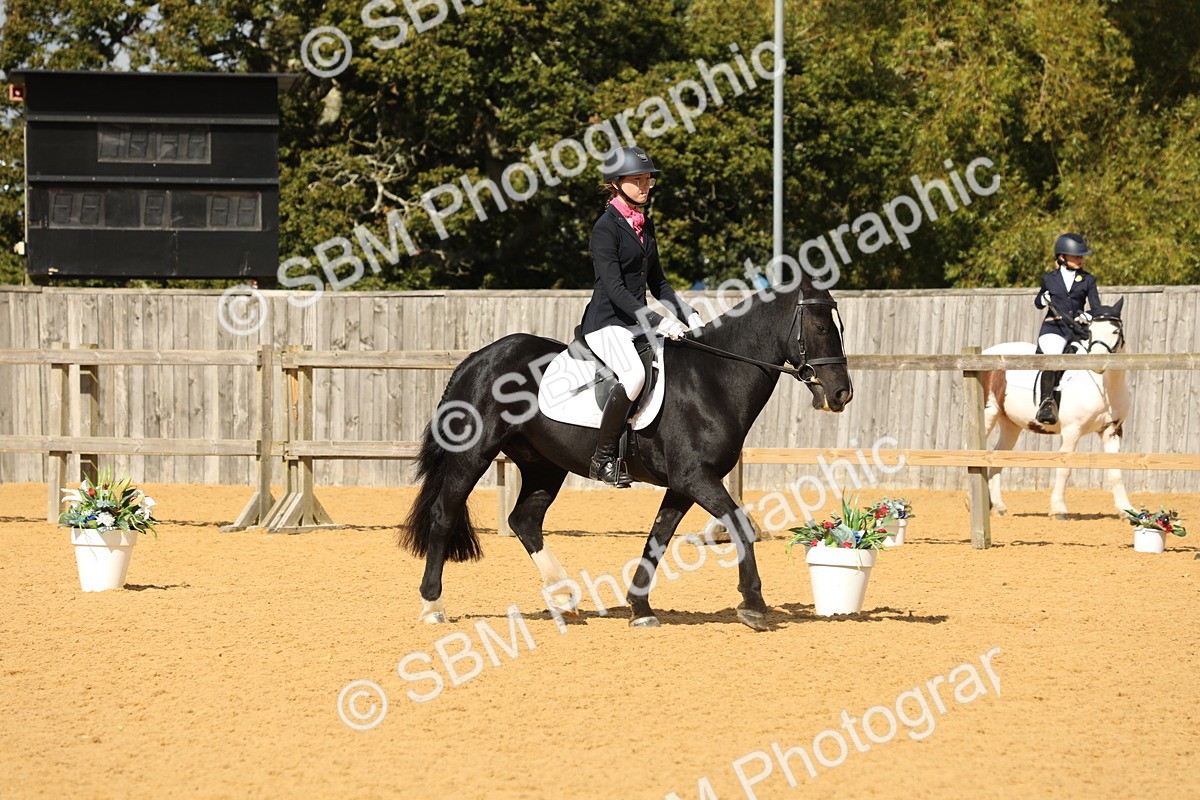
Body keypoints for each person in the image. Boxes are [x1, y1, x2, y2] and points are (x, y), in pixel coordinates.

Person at [579, 146, 702, 487]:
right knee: (633, 377)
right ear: (616, 183)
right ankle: (602, 459)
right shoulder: (605, 229)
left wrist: (689, 315)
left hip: (634, 324)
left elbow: (658, 282)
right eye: (637, 180)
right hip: (606, 323)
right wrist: (658, 321)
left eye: (647, 179)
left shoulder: (644, 224)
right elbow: (615, 289)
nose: (646, 185)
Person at [1033, 232, 1102, 425]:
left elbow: (1096, 307)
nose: (1080, 260)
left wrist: (1088, 315)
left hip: (1077, 330)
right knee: (1054, 356)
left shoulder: (1088, 280)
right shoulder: (1050, 279)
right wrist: (1043, 299)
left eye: (1081, 256)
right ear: (1062, 257)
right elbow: (1038, 302)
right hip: (1054, 328)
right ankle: (1046, 403)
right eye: (1076, 256)